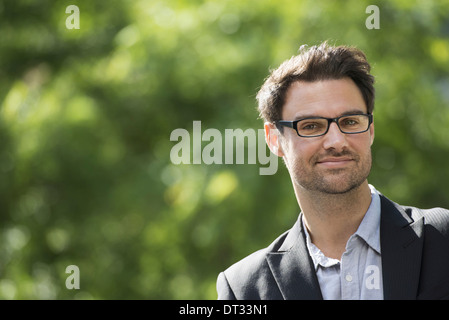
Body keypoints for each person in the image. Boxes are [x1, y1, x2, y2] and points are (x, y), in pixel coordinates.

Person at [216, 42, 449, 300]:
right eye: (312, 126)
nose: (337, 142)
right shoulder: (244, 288)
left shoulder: (442, 239)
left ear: (370, 129)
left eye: (350, 122)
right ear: (274, 139)